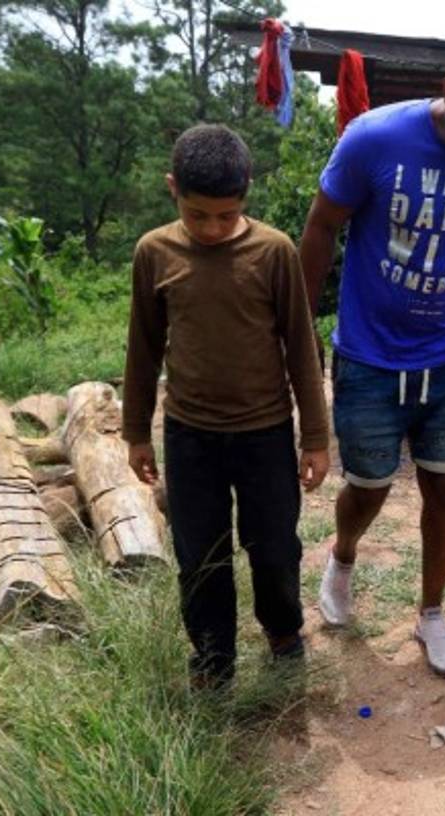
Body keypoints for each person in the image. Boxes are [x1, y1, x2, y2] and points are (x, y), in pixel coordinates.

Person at [296, 36, 445, 678]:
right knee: (369, 484)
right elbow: (322, 225)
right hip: (369, 353)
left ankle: (431, 612)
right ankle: (343, 556)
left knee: (443, 483)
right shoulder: (374, 139)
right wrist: (299, 322)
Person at [122, 123, 330, 690]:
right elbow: (143, 347)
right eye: (198, 215)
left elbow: (301, 348)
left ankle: (284, 635)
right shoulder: (154, 253)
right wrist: (136, 431)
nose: (212, 228)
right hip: (190, 435)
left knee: (275, 547)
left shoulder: (275, 252)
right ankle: (213, 658)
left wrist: (315, 437)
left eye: (226, 214)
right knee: (200, 555)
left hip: (265, 433)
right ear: (172, 188)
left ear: (246, 193)